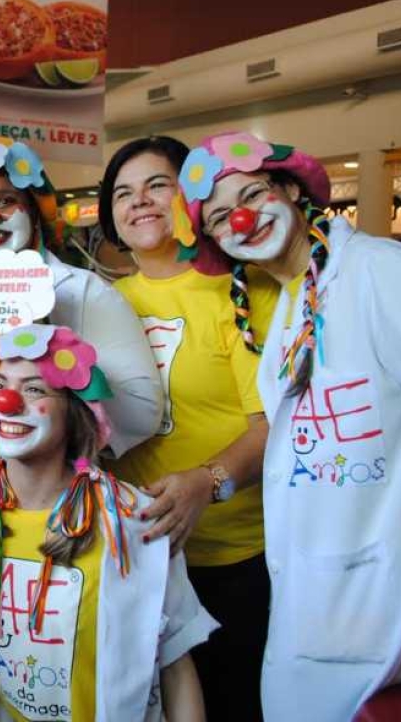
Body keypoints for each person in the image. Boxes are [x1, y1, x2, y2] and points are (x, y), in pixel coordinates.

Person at [182, 131, 401, 721]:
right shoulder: (288, 311)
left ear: (292, 191)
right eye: (221, 215)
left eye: (252, 194)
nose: (242, 218)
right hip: (319, 606)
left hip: (386, 613)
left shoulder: (377, 273)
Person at [0, 132, 163, 687]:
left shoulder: (82, 293)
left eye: (6, 200)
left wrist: (50, 363)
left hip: (39, 547)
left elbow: (141, 413)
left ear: (34, 211)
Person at [0, 324, 214, 722]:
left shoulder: (131, 519)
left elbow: (176, 663)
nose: (6, 401)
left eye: (34, 389)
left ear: (74, 412)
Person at [97, 135, 277, 721]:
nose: (140, 202)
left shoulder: (242, 292)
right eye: (123, 193)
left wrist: (209, 480)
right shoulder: (96, 302)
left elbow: (276, 422)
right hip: (135, 556)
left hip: (233, 559)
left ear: (190, 197)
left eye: (157, 185)